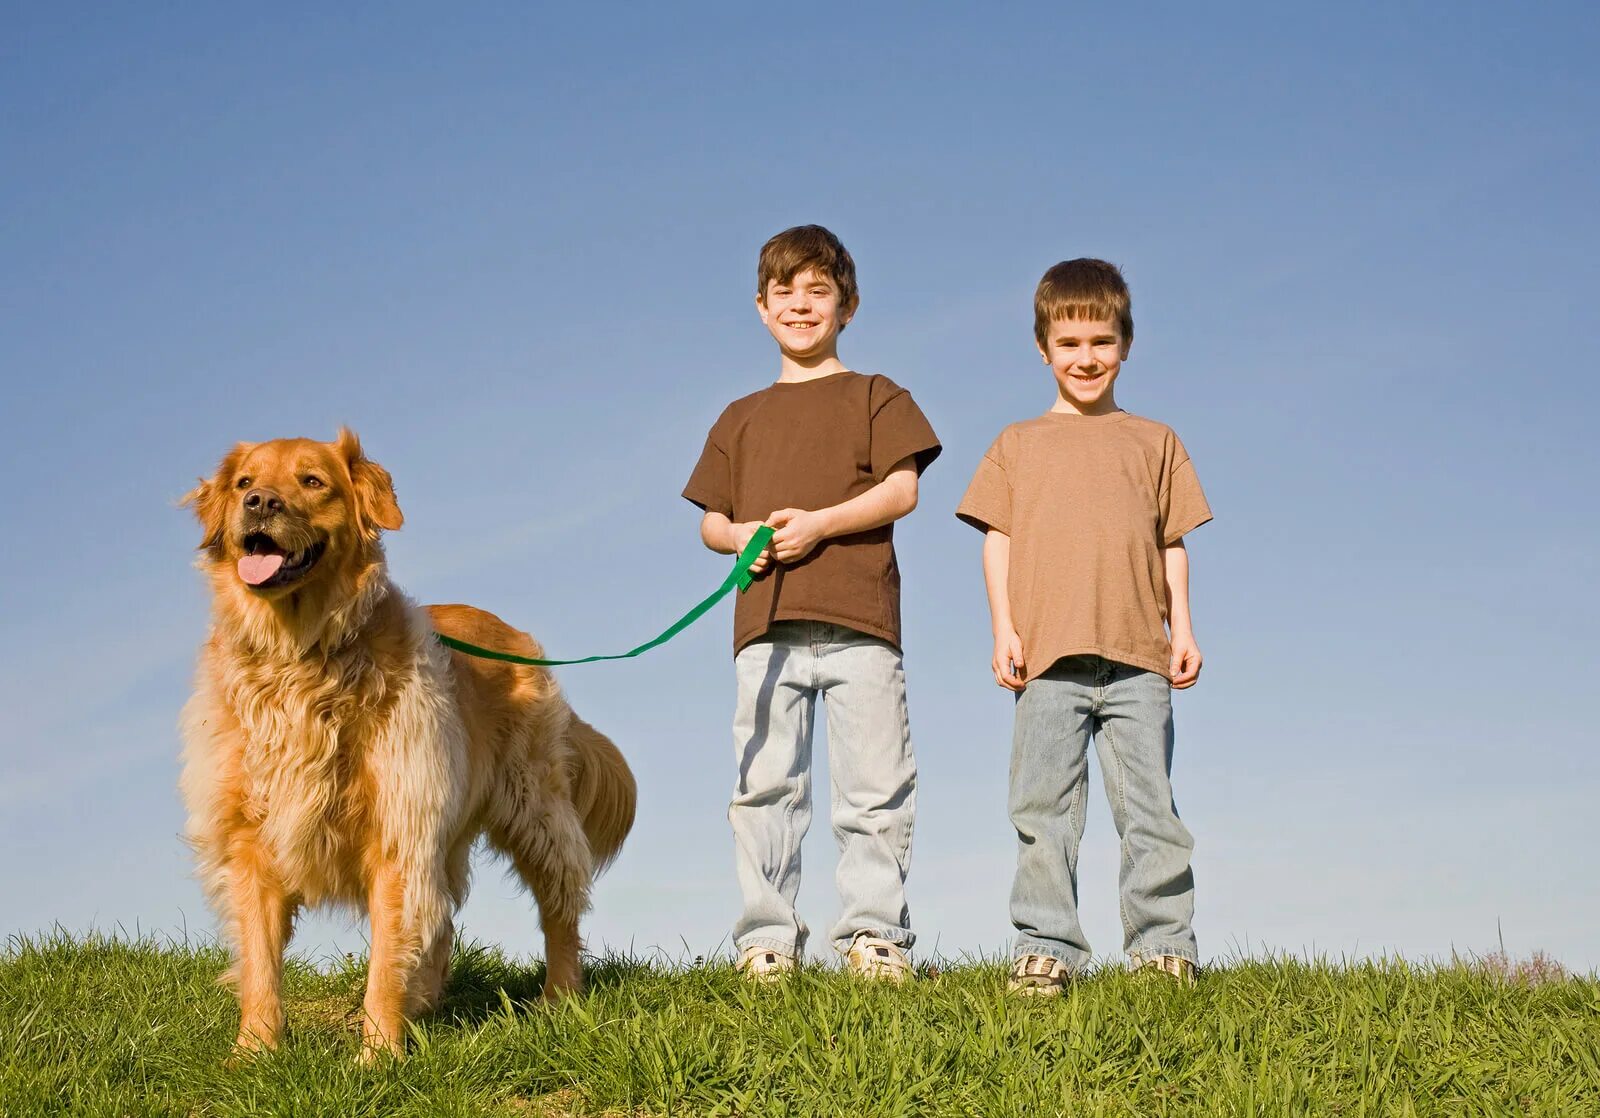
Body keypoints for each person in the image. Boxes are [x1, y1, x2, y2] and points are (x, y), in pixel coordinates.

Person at [682, 225, 940, 982]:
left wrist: (822, 523)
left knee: (874, 788)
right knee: (764, 788)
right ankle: (767, 941)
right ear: (762, 309)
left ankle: (874, 936)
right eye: (785, 292)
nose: (801, 305)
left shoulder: (876, 395)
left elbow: (903, 490)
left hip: (862, 624)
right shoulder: (738, 416)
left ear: (848, 306)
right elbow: (709, 522)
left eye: (818, 291)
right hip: (765, 630)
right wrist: (744, 535)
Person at [956, 258, 1212, 994]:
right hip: (1047, 659)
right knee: (1043, 812)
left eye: (1101, 341)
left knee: (1151, 811)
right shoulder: (1017, 443)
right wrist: (1003, 627)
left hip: (1139, 657)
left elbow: (1173, 543)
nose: (1086, 358)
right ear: (1043, 349)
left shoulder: (1154, 440)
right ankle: (1046, 947)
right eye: (1069, 344)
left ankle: (1164, 948)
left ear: (1125, 344)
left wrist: (1184, 630)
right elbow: (995, 540)